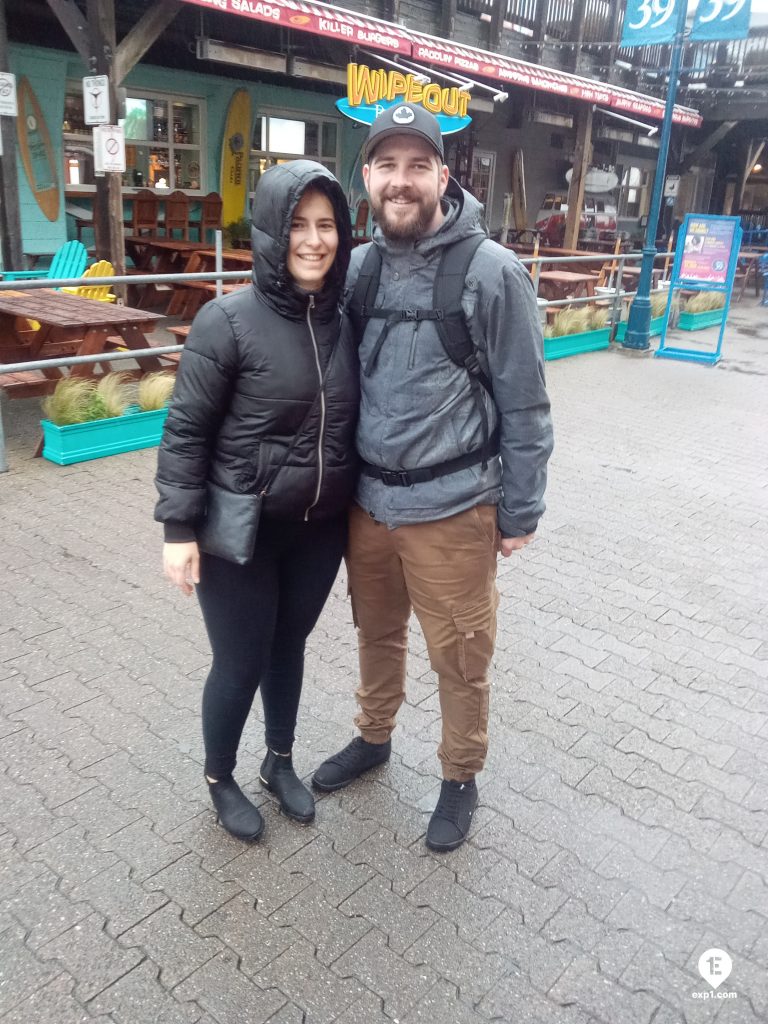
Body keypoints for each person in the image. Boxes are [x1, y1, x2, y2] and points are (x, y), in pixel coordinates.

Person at [312, 104, 554, 852]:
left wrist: (520, 511)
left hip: (455, 510)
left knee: (460, 654)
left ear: (443, 177)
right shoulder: (358, 268)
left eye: (418, 166)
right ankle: (373, 736)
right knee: (376, 632)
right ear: (367, 177)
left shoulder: (492, 272)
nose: (401, 181)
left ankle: (459, 775)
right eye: (387, 165)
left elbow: (526, 402)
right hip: (369, 507)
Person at [155, 160, 358, 842]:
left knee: (287, 645)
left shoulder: (346, 320)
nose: (314, 240)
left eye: (326, 225)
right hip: (241, 529)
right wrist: (178, 528)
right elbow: (186, 430)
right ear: (272, 231)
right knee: (240, 660)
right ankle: (220, 776)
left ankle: (279, 761)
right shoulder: (227, 320)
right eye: (298, 224)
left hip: (319, 528)